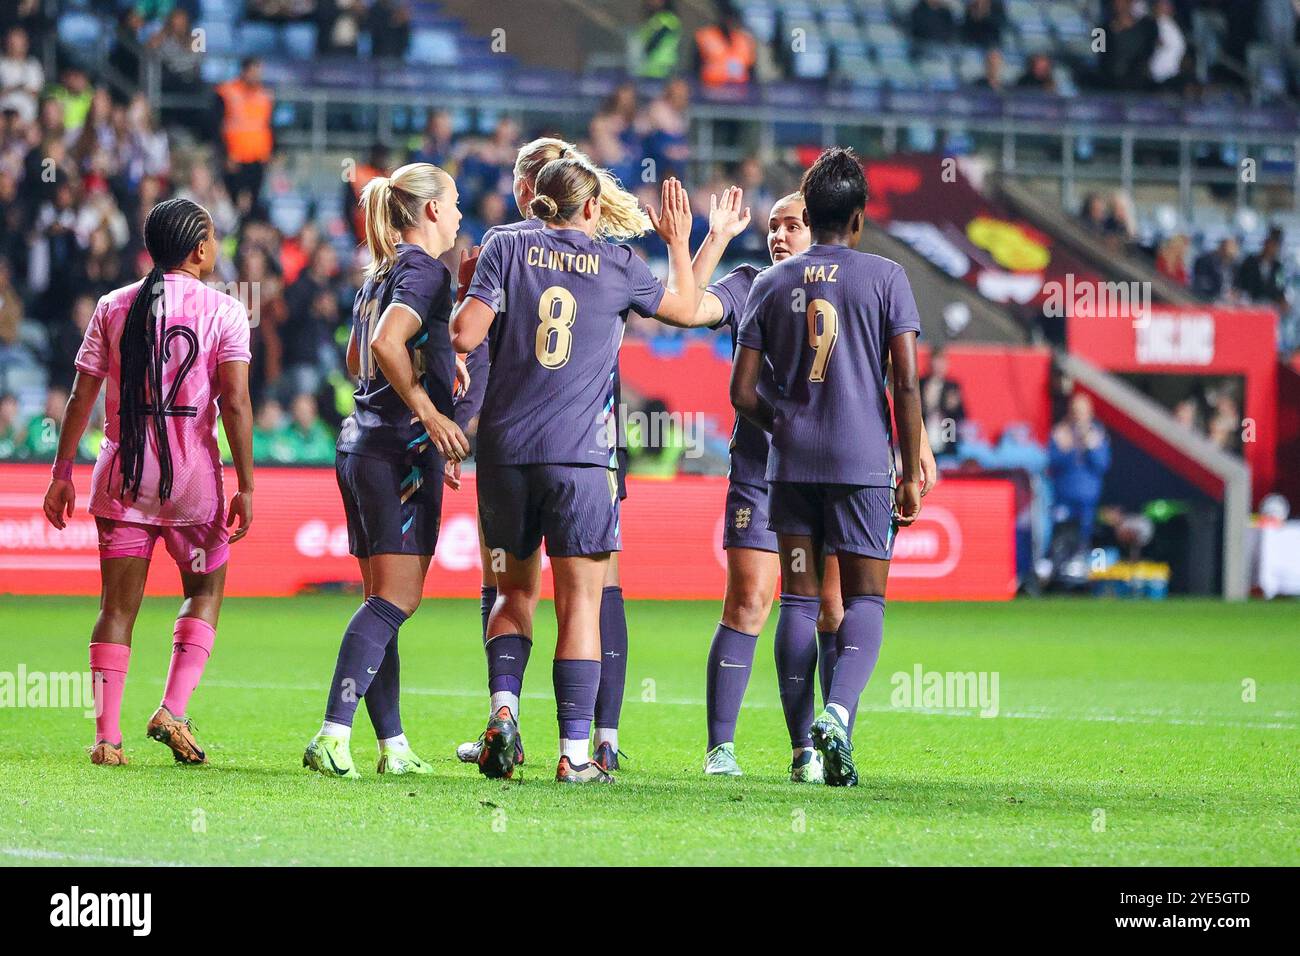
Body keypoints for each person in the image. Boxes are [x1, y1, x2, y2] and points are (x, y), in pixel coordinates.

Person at [449, 165, 706, 784]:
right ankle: (573, 755)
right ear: (590, 207)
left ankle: (503, 715)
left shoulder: (505, 245)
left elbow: (463, 335)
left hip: (506, 457)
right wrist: (678, 240)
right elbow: (690, 311)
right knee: (581, 605)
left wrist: (469, 290)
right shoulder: (618, 265)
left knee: (512, 593)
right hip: (581, 460)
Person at [692, 187, 937, 780]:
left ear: (816, 227)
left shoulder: (816, 284)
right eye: (773, 225)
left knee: (824, 606)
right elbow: (690, 308)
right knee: (752, 600)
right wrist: (714, 238)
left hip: (802, 463)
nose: (779, 235)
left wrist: (918, 442)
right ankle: (740, 745)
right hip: (769, 467)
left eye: (791, 225)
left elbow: (749, 389)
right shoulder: (754, 281)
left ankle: (818, 750)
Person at [41, 197, 255, 767]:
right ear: (198, 248)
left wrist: (61, 473)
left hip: (123, 473)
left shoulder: (114, 306)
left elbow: (80, 397)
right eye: (211, 239)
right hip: (191, 480)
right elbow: (234, 403)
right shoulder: (224, 311)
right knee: (205, 588)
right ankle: (172, 709)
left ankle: (107, 740)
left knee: (116, 606)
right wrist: (248, 485)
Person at [302, 162, 469, 779]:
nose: (457, 214)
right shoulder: (425, 268)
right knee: (397, 598)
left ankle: (392, 744)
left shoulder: (380, 273)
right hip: (397, 452)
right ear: (428, 210)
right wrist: (430, 414)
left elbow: (356, 357)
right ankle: (332, 732)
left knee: (381, 599)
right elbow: (381, 347)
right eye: (452, 203)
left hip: (360, 446)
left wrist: (434, 366)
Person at [1048, 392, 1110, 554]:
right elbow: (1051, 463)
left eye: (1082, 411)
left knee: (1084, 538)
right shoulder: (1061, 432)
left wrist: (1091, 447)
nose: (1078, 416)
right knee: (1060, 535)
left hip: (1087, 500)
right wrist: (1067, 450)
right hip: (1063, 497)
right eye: (1075, 411)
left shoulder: (1097, 435)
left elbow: (1102, 465)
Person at [216, 58, 274, 215]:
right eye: (254, 71)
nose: (257, 76)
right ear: (245, 71)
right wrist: (224, 153)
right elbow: (216, 124)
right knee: (233, 203)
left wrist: (272, 152)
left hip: (258, 158)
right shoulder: (228, 92)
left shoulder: (264, 96)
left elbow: (269, 125)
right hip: (235, 158)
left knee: (252, 204)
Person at [694, 0, 757, 88]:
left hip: (740, 93)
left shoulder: (745, 40)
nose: (729, 22)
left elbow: (752, 72)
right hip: (710, 92)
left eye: (732, 18)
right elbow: (695, 68)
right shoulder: (705, 37)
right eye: (727, 17)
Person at [1235, 227, 1288, 306]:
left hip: (1270, 304)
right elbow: (1241, 283)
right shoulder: (1250, 262)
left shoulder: (1278, 267)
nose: (1273, 248)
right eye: (1271, 244)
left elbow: (1280, 286)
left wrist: (1281, 300)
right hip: (1250, 303)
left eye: (1276, 245)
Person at [631, 0, 682, 80]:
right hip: (647, 68)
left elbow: (654, 41)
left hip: (661, 68)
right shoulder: (654, 19)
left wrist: (642, 52)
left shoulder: (668, 19)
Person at [1191, 236, 1239, 302]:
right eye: (1230, 247)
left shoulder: (1233, 265)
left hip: (1228, 301)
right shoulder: (1206, 261)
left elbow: (1235, 286)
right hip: (1210, 300)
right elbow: (1202, 284)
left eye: (1234, 248)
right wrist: (1220, 294)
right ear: (1221, 247)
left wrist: (1234, 293)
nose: (1233, 251)